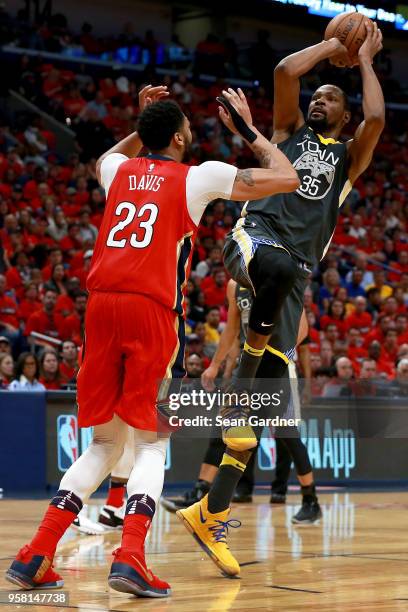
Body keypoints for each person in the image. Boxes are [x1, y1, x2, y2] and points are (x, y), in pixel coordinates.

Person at [6, 84, 299, 595]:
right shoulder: (197, 175)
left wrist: (140, 129)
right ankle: (131, 558)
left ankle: (36, 554)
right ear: (183, 137)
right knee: (152, 442)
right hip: (151, 314)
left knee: (102, 442)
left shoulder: (118, 170)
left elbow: (107, 156)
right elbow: (288, 177)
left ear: (145, 135)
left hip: (98, 309)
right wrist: (249, 129)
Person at [178, 22, 384, 576]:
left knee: (257, 421)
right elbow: (284, 72)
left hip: (294, 277)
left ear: (344, 114)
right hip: (256, 239)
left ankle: (211, 510)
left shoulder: (349, 157)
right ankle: (240, 377)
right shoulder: (288, 130)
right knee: (268, 268)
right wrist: (333, 48)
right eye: (318, 96)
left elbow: (379, 118)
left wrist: (364, 60)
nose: (319, 100)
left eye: (330, 97)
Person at [163, 280, 321, 524]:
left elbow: (302, 329)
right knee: (225, 426)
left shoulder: (282, 276)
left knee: (287, 434)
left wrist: (276, 354)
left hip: (277, 368)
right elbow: (232, 331)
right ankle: (200, 489)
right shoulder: (234, 286)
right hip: (247, 367)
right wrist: (216, 365)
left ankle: (310, 500)